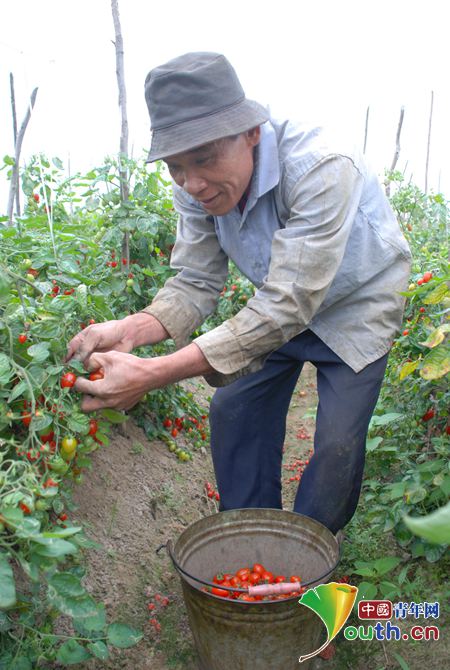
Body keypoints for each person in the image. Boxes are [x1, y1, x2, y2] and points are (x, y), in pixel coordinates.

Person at [66, 52, 411, 536]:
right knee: (234, 409)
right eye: (175, 167)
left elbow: (289, 302)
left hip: (358, 305)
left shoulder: (320, 165)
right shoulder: (196, 188)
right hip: (279, 303)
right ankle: (251, 537)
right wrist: (131, 329)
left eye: (204, 158)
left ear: (251, 132)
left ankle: (309, 547)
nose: (192, 182)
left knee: (337, 445)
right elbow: (195, 280)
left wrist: (153, 373)